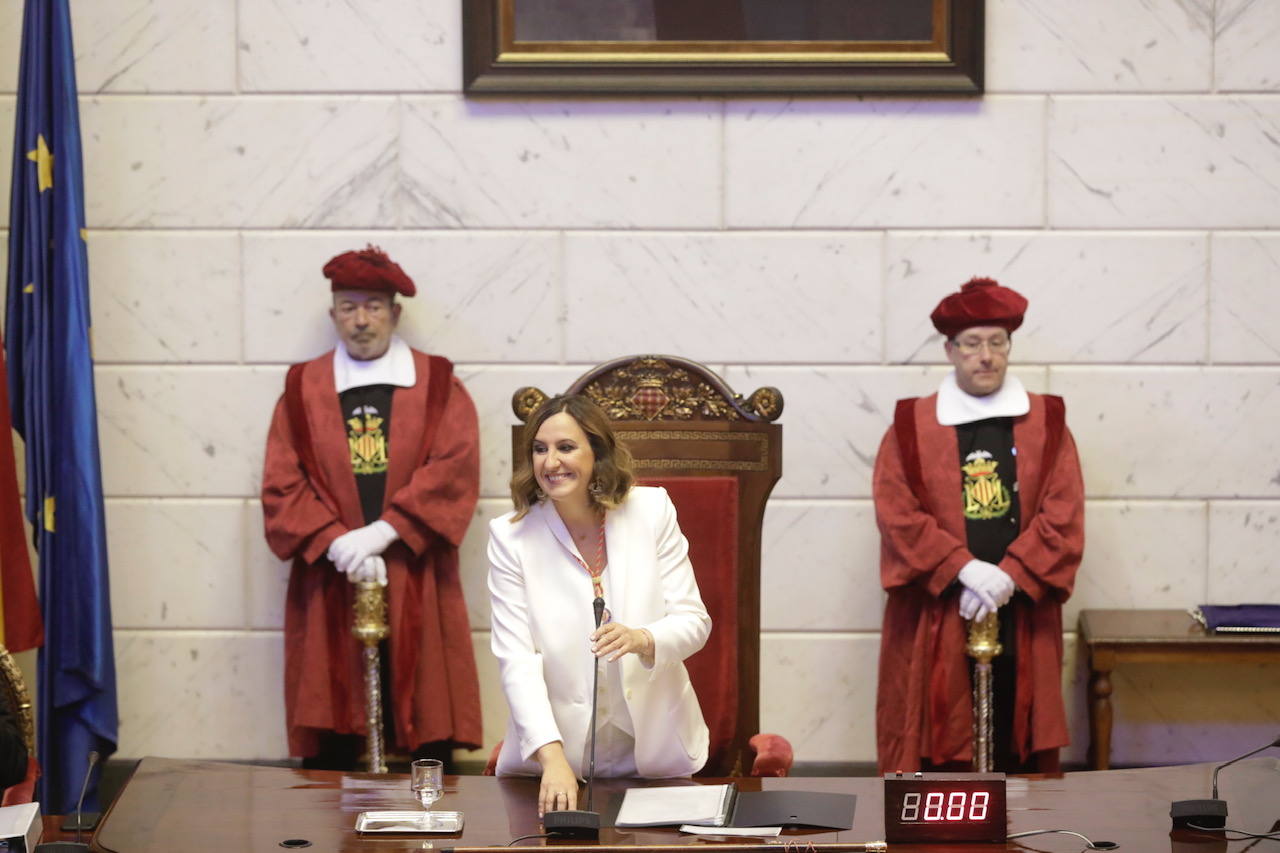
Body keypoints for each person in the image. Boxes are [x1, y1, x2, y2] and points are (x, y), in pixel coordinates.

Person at [261, 245, 482, 770]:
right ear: (333, 313)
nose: (361, 320)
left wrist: (384, 533)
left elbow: (455, 466)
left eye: (374, 306)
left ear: (395, 312)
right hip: (331, 573)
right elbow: (281, 480)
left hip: (412, 566)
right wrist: (338, 542)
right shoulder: (303, 388)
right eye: (348, 306)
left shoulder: (436, 384)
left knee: (423, 707)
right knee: (333, 722)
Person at [873, 277, 1084, 774]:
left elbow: (1064, 509)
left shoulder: (1047, 422)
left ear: (1009, 346)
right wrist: (964, 570)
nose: (986, 356)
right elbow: (897, 513)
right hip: (939, 607)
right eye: (972, 344)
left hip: (1021, 606)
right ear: (949, 349)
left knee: (1019, 734)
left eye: (997, 342)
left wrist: (1008, 576)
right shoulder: (911, 426)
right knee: (934, 731)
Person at [487, 394, 711, 816]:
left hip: (654, 755)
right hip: (556, 758)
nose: (551, 462)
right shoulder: (509, 537)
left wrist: (644, 638)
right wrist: (552, 760)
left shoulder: (652, 510)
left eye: (566, 447)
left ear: (598, 453)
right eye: (540, 449)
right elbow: (516, 659)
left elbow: (694, 622)